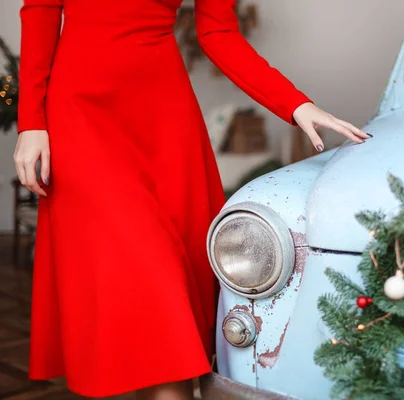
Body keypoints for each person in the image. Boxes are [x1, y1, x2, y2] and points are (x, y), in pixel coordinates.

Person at [13, 0, 370, 399]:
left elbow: (218, 33)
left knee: (166, 303)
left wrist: (296, 104)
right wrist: (31, 122)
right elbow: (41, 10)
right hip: (80, 115)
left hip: (163, 117)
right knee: (147, 279)